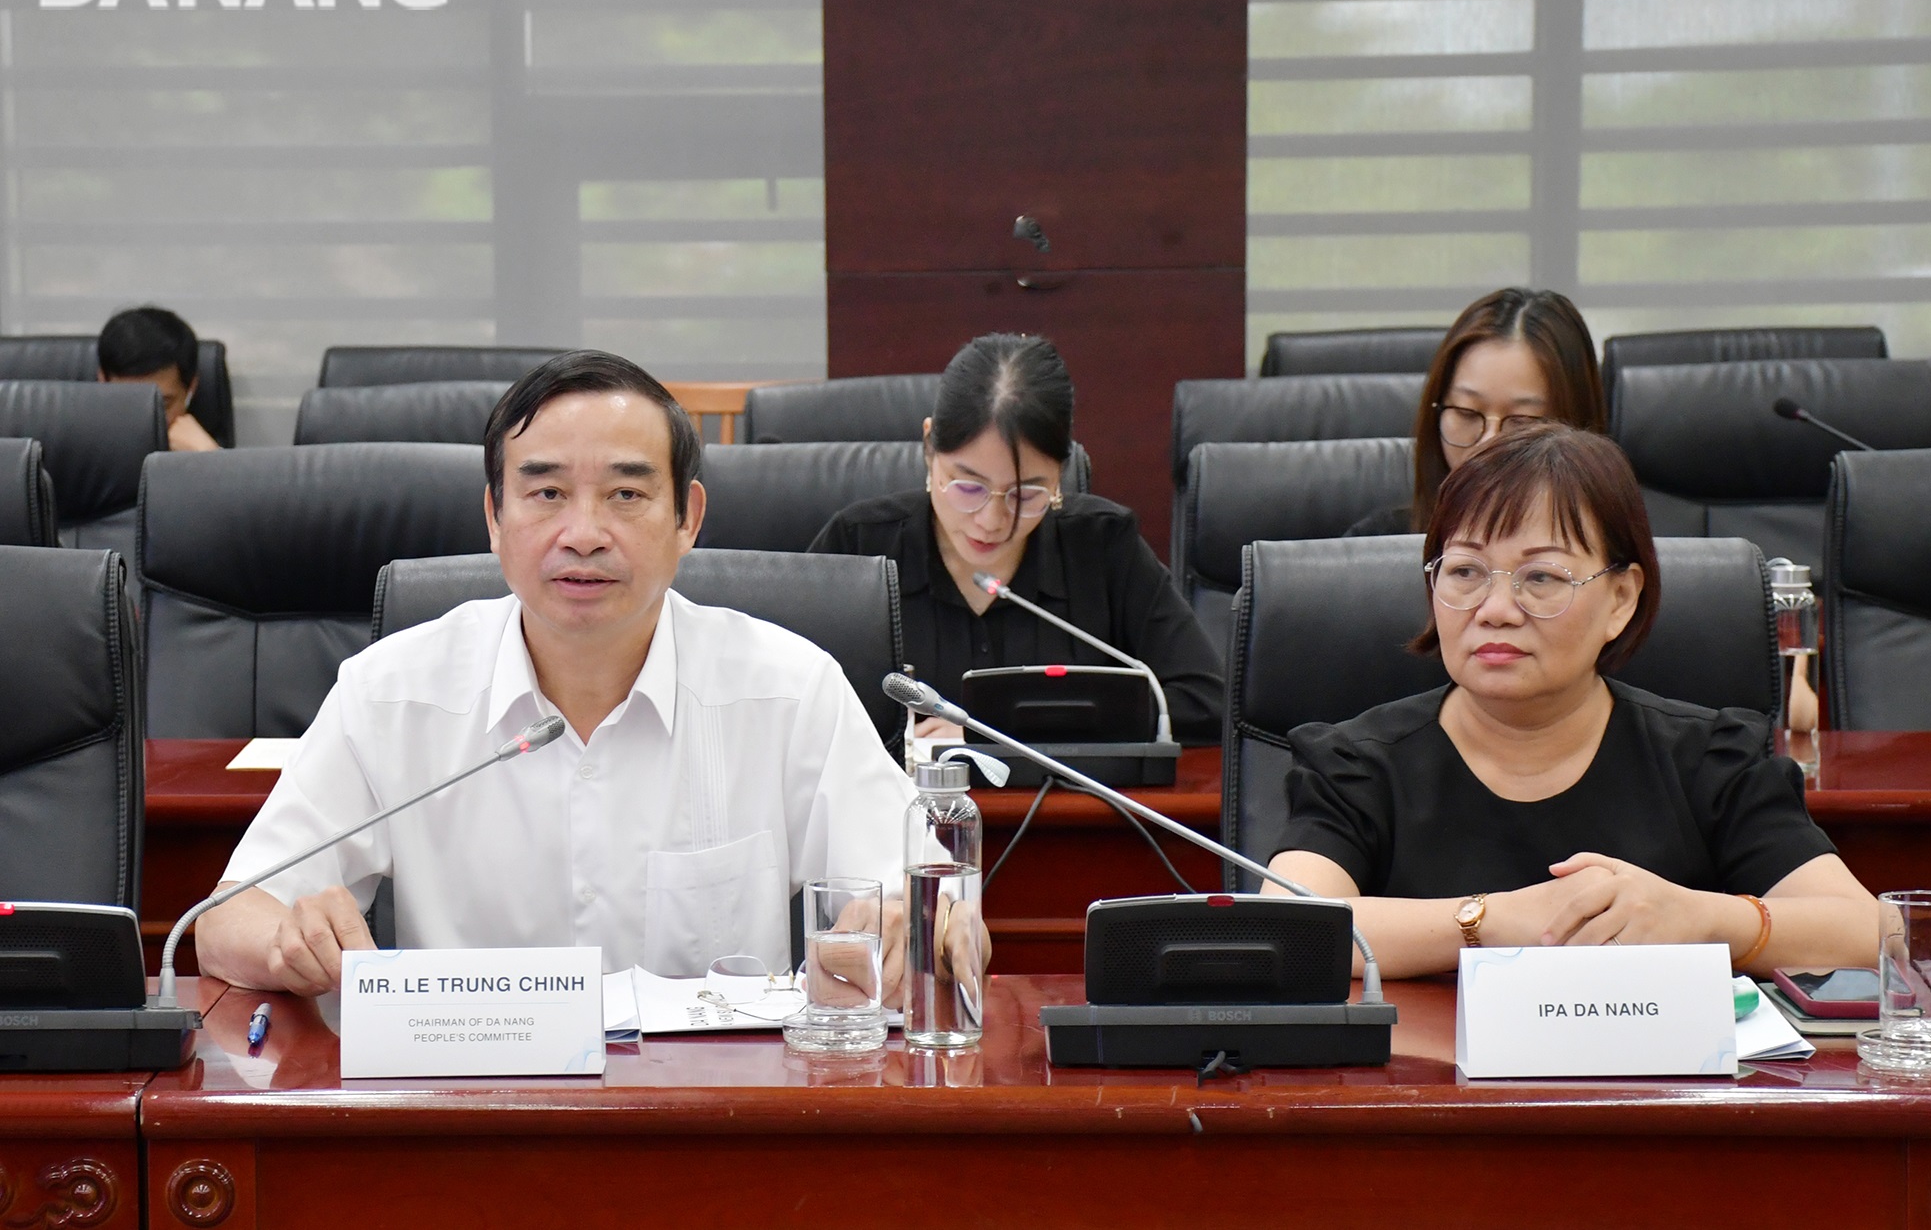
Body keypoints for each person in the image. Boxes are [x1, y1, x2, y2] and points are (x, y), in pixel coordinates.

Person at [198, 351, 933, 996]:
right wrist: (288, 939)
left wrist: (919, 926)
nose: (583, 534)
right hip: (471, 1123)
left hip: (712, 1126)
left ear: (689, 518)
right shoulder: (389, 694)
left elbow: (944, 912)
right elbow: (225, 919)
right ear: (493, 516)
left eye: (626, 494)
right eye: (547, 493)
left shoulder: (790, 692)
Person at [1268, 424, 1876, 979]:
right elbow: (1288, 935)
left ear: (1620, 599)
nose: (1496, 610)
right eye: (1464, 572)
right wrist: (1489, 922)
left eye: (1542, 578)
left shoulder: (1709, 759)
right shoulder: (1356, 763)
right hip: (1428, 1091)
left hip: (1654, 1092)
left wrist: (1706, 918)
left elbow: (1879, 935)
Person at [809, 333, 1225, 744]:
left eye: (1025, 495)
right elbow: (789, 695)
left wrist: (999, 731)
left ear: (1060, 472)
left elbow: (1206, 701)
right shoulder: (859, 547)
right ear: (929, 446)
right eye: (968, 488)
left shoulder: (1103, 548)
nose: (992, 521)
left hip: (1071, 810)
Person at [1345, 287, 1603, 537]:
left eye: (1523, 422)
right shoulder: (1378, 543)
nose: (1488, 445)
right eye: (1467, 413)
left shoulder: (1623, 544)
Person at [97, 306, 220, 451]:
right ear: (102, 380)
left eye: (161, 404)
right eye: (127, 402)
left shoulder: (200, 449)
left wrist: (209, 458)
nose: (142, 420)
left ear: (191, 388)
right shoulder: (75, 447)